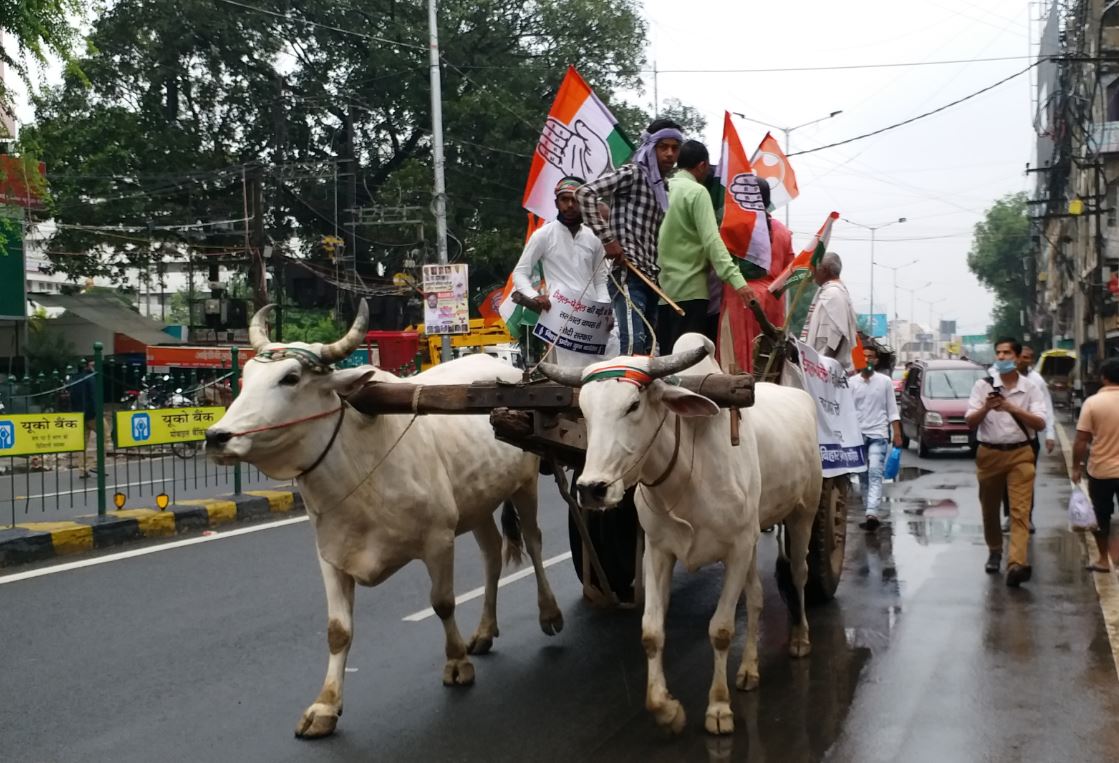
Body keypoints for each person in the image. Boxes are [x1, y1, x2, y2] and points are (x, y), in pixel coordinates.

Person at [576, 118, 684, 355]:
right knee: (634, 346)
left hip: (650, 277)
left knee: (648, 350)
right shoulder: (633, 173)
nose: (669, 154)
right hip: (628, 273)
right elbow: (584, 193)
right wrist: (608, 239)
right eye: (663, 147)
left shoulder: (662, 187)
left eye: (675, 148)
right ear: (650, 147)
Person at [654, 140, 755, 353]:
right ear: (702, 166)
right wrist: (738, 282)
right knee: (687, 369)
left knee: (665, 365)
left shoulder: (662, 188)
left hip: (661, 293)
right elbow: (712, 241)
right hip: (691, 293)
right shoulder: (697, 193)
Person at [964, 337, 1048, 586]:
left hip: (1021, 453)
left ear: (1017, 356)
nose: (1001, 357)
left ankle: (1016, 563)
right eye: (998, 353)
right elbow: (970, 421)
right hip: (989, 453)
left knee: (1019, 511)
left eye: (1007, 353)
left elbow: (1040, 422)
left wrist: (1013, 408)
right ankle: (995, 550)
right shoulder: (983, 386)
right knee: (989, 509)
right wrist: (986, 408)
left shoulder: (1031, 388)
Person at [511, 176, 609, 367]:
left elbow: (600, 280)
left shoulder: (594, 237)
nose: (570, 205)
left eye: (575, 199)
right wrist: (534, 295)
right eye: (565, 199)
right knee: (570, 373)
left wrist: (603, 308)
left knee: (603, 371)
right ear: (557, 203)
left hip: (591, 316)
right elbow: (520, 273)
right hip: (560, 314)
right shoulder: (543, 235)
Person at [712, 175, 797, 371]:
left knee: (736, 363)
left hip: (741, 298)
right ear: (768, 202)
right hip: (773, 302)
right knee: (769, 363)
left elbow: (720, 263)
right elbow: (790, 272)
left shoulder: (735, 228)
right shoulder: (783, 232)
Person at [1001, 344, 1056, 533]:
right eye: (1021, 357)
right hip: (1004, 438)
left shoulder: (1036, 381)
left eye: (1028, 358)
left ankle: (1026, 517)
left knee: (1026, 479)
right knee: (1005, 480)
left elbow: (1047, 408)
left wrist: (1050, 434)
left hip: (1028, 438)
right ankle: (1009, 516)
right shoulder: (1000, 378)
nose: (1023, 361)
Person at [1071, 357, 1119, 572]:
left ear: (1103, 377)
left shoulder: (1092, 403)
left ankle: (1102, 559)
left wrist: (1076, 467)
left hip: (1101, 471)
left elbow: (1081, 439)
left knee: (1101, 515)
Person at [853, 345, 903, 530]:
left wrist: (897, 432)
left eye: (871, 357)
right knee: (863, 476)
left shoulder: (884, 382)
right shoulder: (851, 383)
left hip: (878, 434)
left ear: (876, 360)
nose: (867, 360)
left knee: (875, 473)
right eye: (864, 356)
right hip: (858, 437)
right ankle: (869, 511)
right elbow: (847, 412)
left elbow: (892, 409)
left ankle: (872, 512)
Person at [803, 252, 860, 371]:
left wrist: (823, 369)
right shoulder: (828, 292)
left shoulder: (833, 294)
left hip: (826, 372)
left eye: (815, 269)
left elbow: (836, 336)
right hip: (819, 368)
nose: (813, 274)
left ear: (824, 270)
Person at [68, 359, 100, 479]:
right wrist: (94, 412)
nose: (95, 367)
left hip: (78, 415)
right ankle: (96, 465)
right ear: (87, 366)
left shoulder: (74, 378)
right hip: (91, 415)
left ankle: (83, 470)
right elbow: (93, 397)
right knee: (106, 436)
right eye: (93, 364)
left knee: (82, 444)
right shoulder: (91, 378)